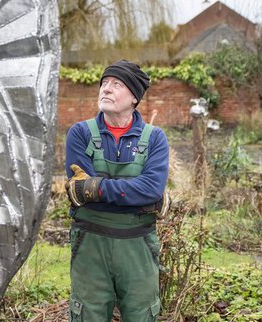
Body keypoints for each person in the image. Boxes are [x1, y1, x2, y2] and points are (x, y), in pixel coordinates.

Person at [64, 60, 169, 322]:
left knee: (142, 314)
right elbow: (79, 189)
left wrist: (96, 187)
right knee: (88, 314)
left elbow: (152, 189)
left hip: (138, 247)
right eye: (104, 83)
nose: (106, 89)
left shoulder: (154, 138)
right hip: (90, 244)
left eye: (116, 84)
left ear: (134, 97)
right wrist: (136, 196)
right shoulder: (80, 134)